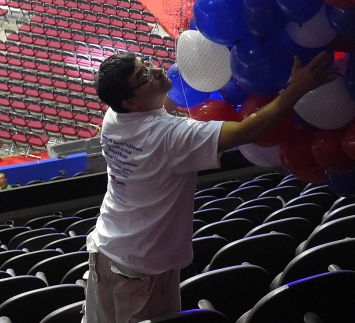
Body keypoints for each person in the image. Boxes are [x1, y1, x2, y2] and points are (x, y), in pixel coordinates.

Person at [84, 51, 334, 323]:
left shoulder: (114, 117)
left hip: (107, 249)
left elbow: (158, 107)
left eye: (147, 64)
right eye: (144, 75)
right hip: (141, 268)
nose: (156, 71)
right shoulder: (170, 137)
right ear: (130, 101)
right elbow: (245, 132)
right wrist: (296, 89)